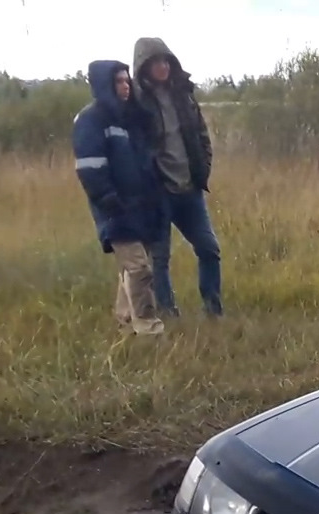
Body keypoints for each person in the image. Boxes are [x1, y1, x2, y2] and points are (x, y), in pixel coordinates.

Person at [72, 61, 166, 336]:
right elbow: (89, 166)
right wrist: (108, 199)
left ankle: (125, 321)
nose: (125, 87)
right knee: (139, 269)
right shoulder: (91, 119)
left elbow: (146, 159)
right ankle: (149, 328)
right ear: (104, 85)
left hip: (143, 205)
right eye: (118, 82)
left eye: (127, 81)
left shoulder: (131, 117)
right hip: (116, 209)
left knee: (132, 269)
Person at [132, 37, 221, 317]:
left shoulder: (183, 93)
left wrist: (202, 169)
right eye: (156, 61)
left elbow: (201, 134)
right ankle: (168, 314)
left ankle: (213, 308)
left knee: (209, 249)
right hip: (158, 192)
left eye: (166, 60)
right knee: (159, 259)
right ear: (144, 67)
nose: (163, 66)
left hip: (190, 189)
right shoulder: (137, 102)